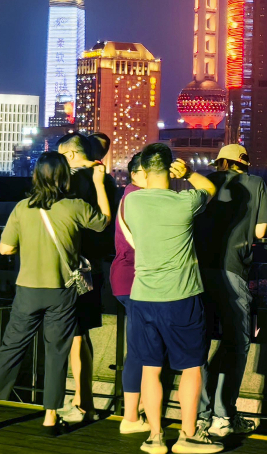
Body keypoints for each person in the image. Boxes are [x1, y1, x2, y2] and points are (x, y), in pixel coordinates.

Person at [0, 151, 110, 432]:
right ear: (64, 177)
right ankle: (50, 417)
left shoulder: (22, 207)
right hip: (61, 292)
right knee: (56, 353)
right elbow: (103, 222)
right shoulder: (75, 206)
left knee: (11, 347)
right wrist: (99, 184)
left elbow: (5, 248)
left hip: (27, 290)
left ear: (36, 176)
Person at [122, 144, 222, 454]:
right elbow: (210, 188)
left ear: (144, 170)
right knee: (191, 368)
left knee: (150, 369)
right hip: (181, 296)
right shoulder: (185, 201)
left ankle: (154, 437)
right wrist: (190, 173)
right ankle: (188, 436)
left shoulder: (132, 202)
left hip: (142, 298)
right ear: (170, 168)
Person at [195, 144, 267, 438]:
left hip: (198, 270)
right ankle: (223, 415)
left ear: (220, 163)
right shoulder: (255, 183)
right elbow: (261, 231)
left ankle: (199, 415)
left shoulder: (206, 181)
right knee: (236, 343)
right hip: (232, 269)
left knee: (199, 345)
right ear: (245, 163)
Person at [56, 132, 119, 421]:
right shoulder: (106, 181)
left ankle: (81, 404)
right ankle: (85, 402)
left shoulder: (69, 181)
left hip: (71, 265)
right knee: (80, 333)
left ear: (70, 154)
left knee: (76, 335)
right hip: (93, 265)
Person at [112, 153, 152, 434]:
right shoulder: (140, 199)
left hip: (125, 280)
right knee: (139, 351)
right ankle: (130, 417)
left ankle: (137, 413)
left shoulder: (129, 195)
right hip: (136, 279)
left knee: (140, 348)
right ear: (140, 172)